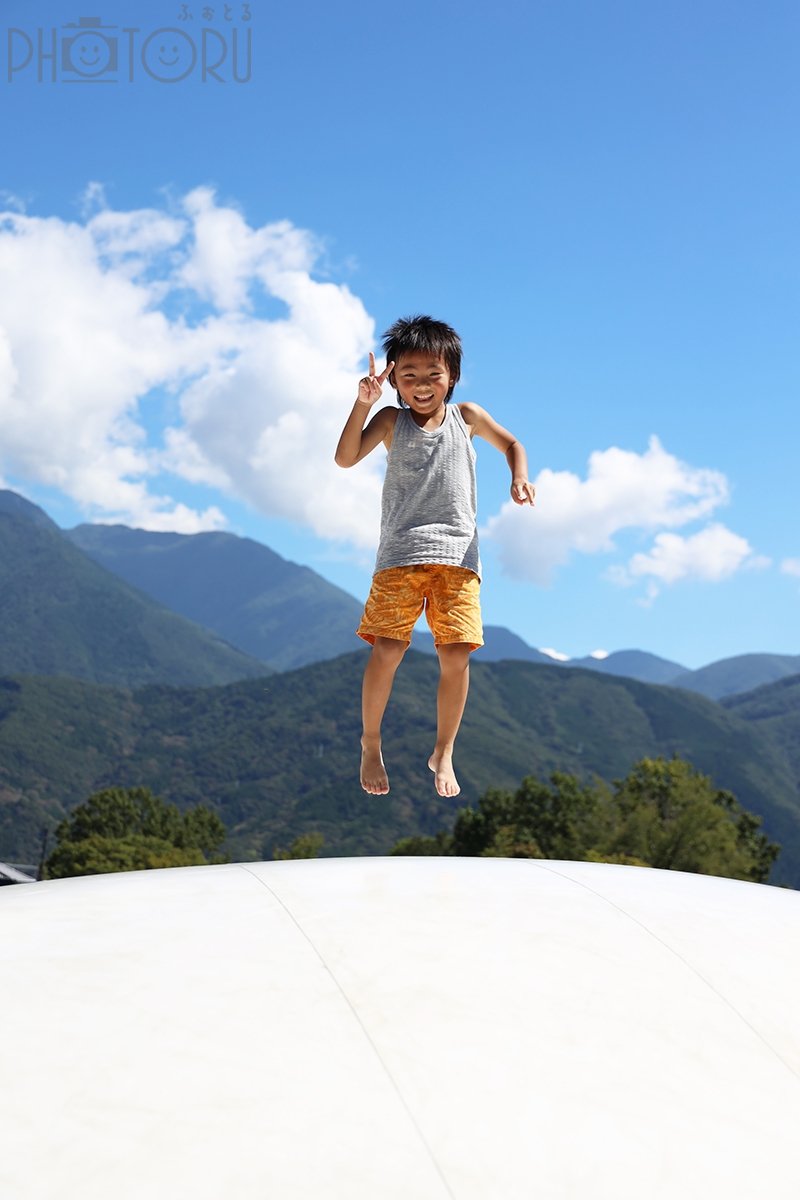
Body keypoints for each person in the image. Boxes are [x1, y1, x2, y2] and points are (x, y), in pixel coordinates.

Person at [335, 315, 535, 799]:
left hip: (459, 560)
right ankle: (371, 742)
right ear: (393, 379)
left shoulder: (467, 418)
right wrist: (362, 405)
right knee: (388, 650)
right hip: (400, 555)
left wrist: (519, 475)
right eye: (409, 375)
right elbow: (344, 458)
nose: (422, 385)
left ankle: (443, 750)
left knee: (457, 653)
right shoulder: (390, 420)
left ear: (452, 376)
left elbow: (512, 443)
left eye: (433, 374)